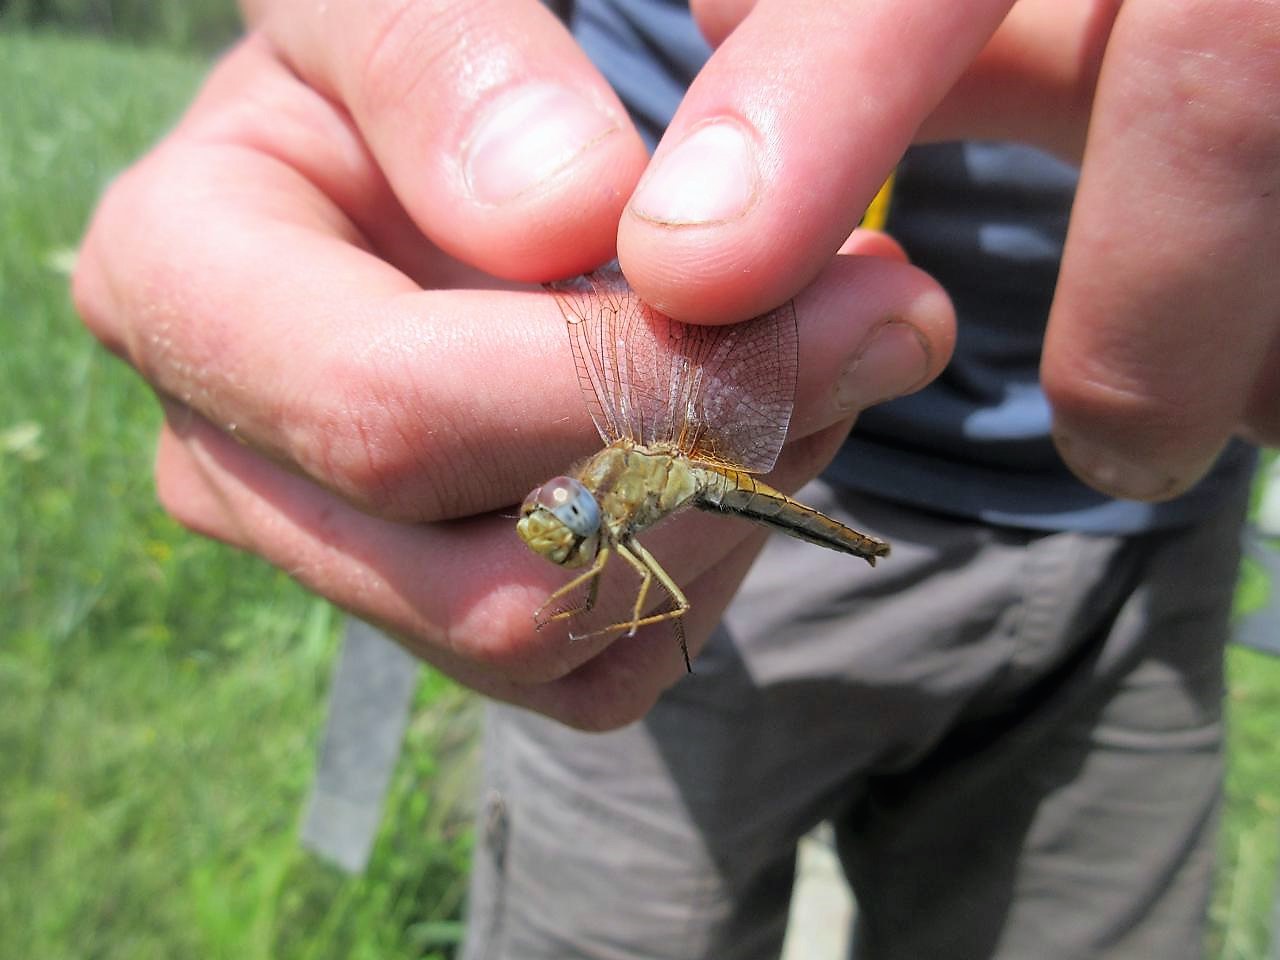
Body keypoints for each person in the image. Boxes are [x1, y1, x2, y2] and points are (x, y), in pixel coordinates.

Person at [73, 0, 1279, 957]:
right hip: (789, 494)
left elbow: (643, 590)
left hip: (1147, 528)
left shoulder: (633, 485)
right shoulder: (601, 459)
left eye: (556, 515)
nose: (550, 523)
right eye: (557, 515)